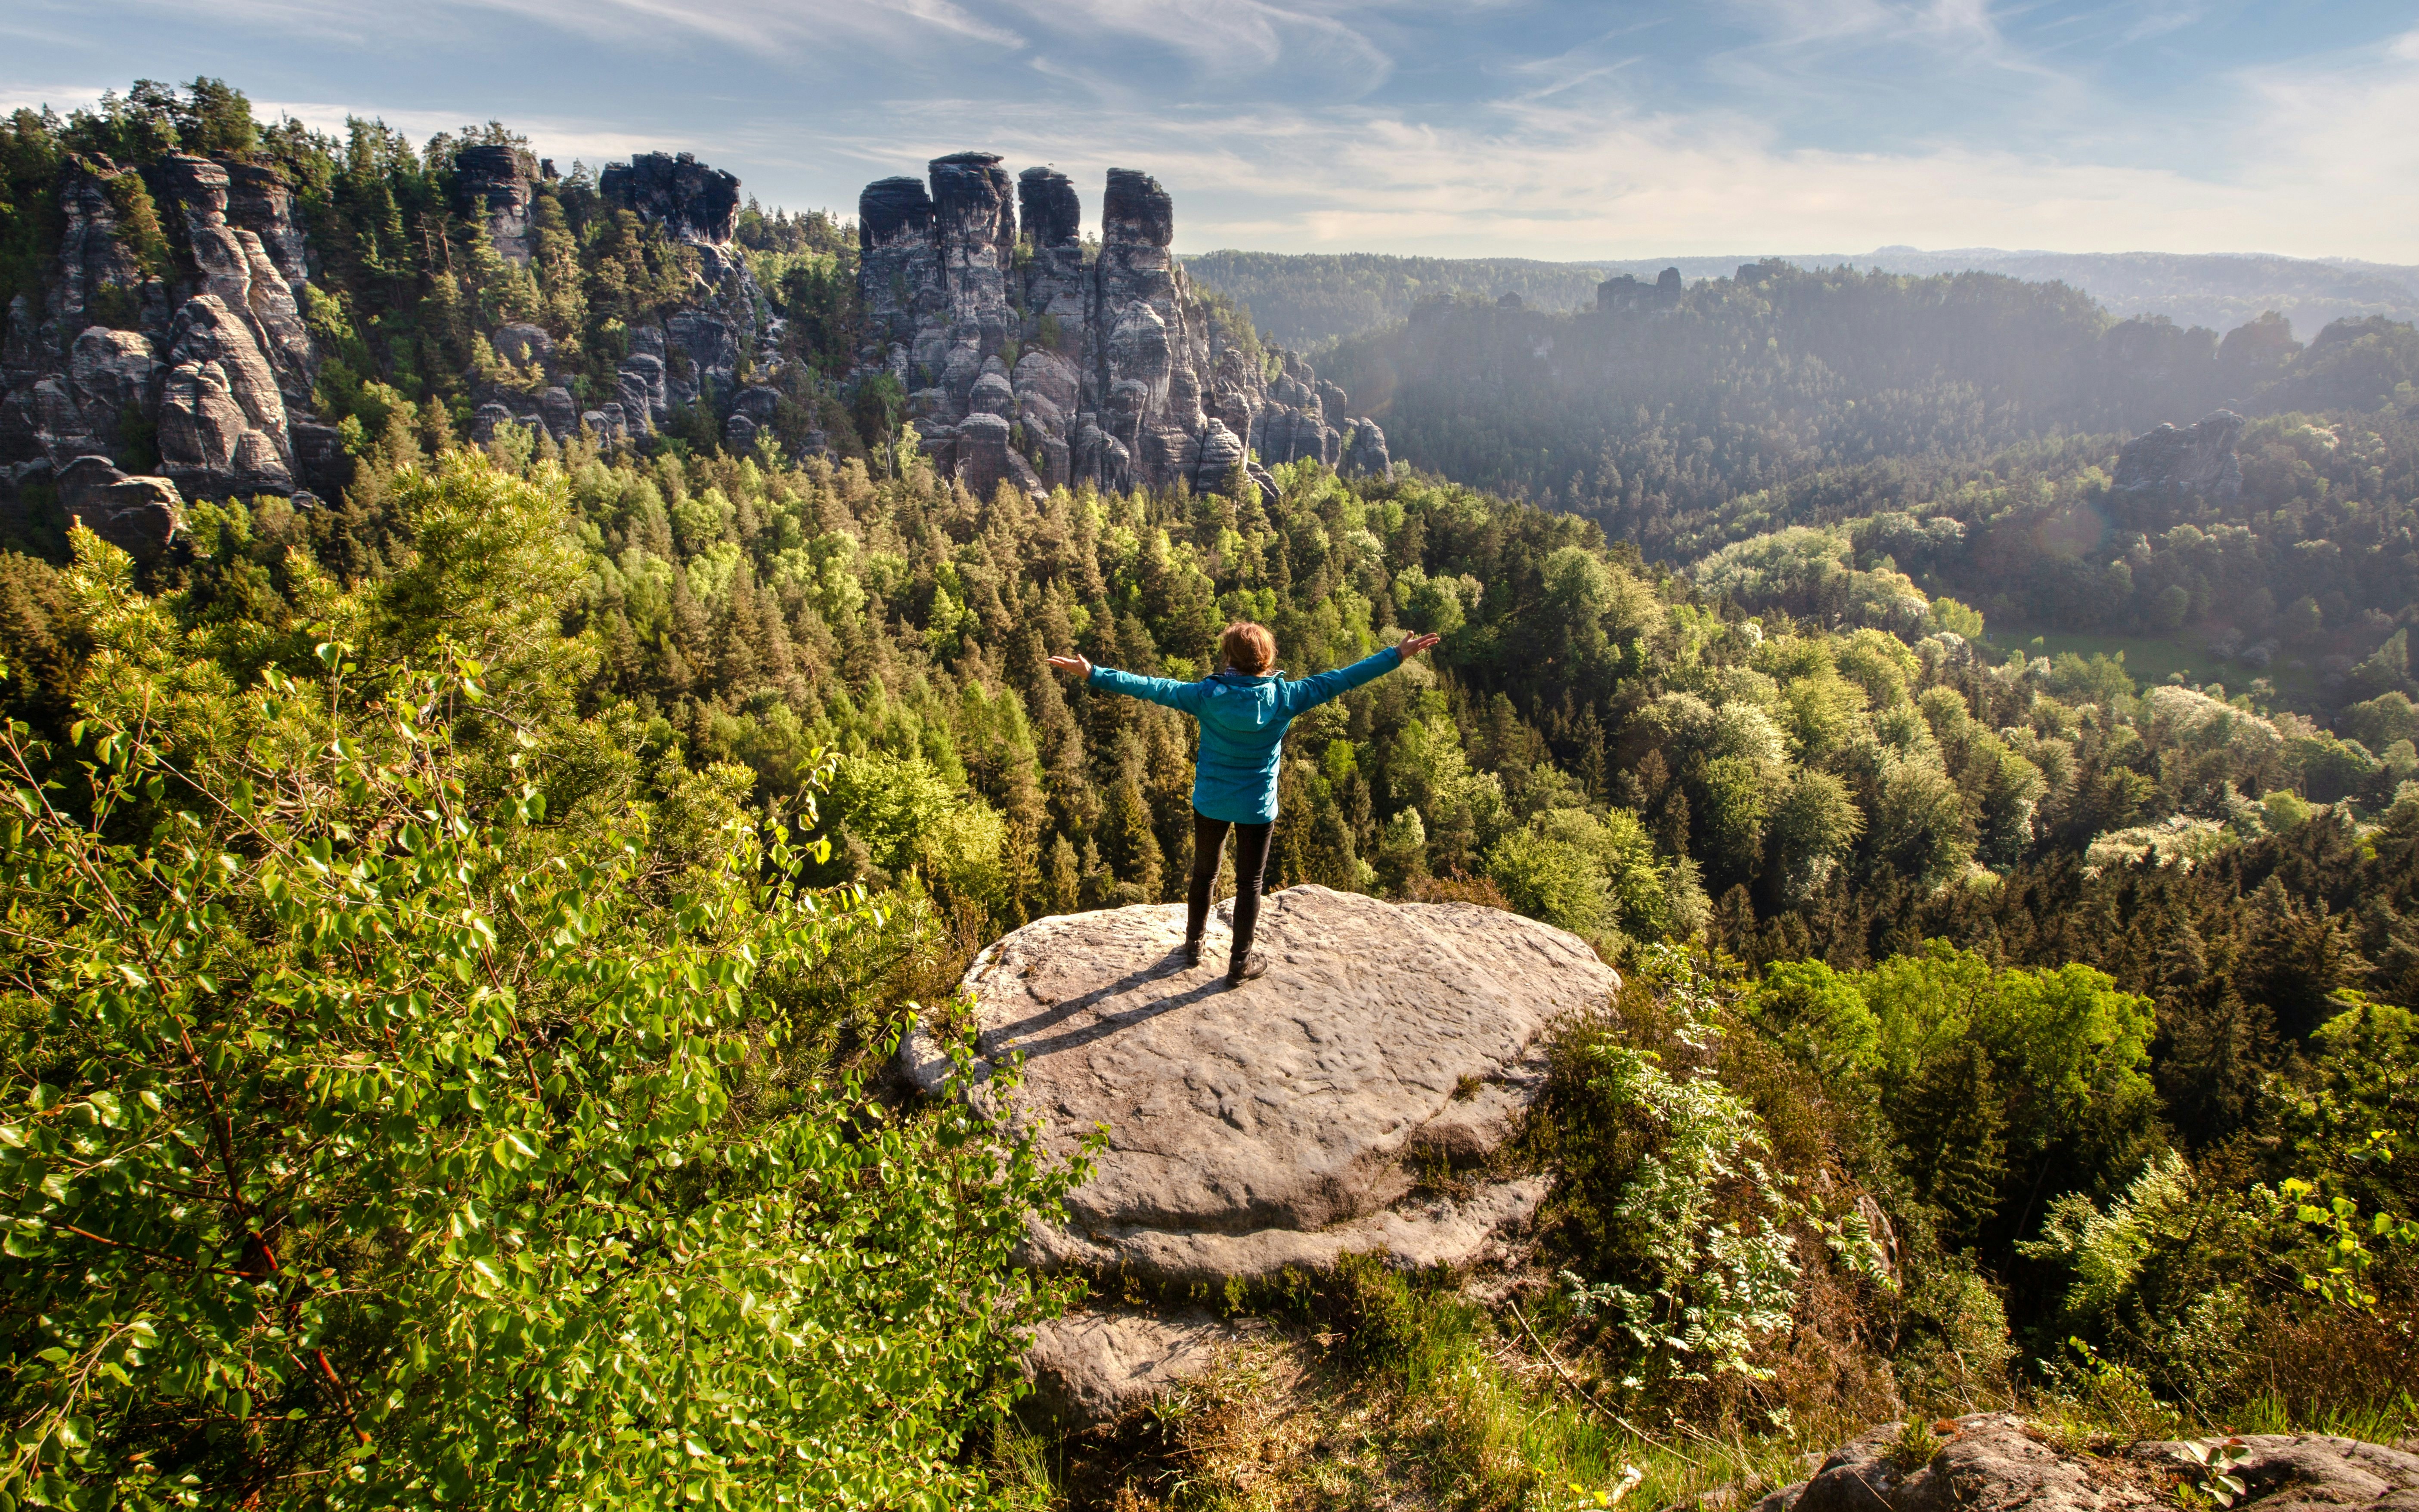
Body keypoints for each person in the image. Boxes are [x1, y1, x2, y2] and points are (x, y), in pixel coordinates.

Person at [1049, 622, 1440, 985]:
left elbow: (1152, 687)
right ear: (1267, 659)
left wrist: (1095, 673)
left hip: (1211, 801)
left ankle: (1194, 947)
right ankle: (1239, 964)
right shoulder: (1286, 698)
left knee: (1204, 875)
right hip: (1256, 806)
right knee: (1250, 882)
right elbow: (1343, 679)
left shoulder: (1206, 696)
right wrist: (1396, 654)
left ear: (1228, 659)